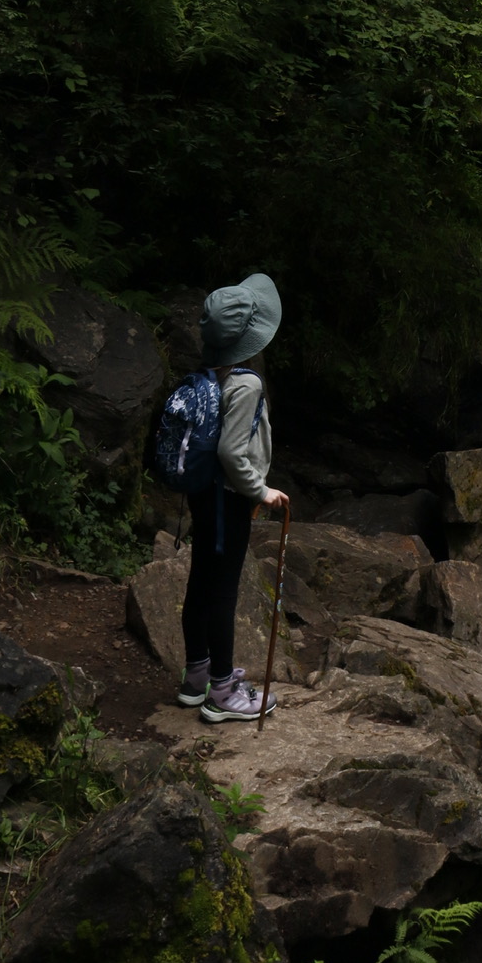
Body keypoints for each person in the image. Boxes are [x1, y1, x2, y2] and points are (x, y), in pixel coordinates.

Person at [177, 271, 290, 721]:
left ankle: (197, 676)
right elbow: (231, 451)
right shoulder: (247, 385)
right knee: (223, 592)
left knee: (200, 582)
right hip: (228, 501)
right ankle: (223, 693)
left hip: (204, 494)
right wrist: (261, 491)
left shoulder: (207, 375)